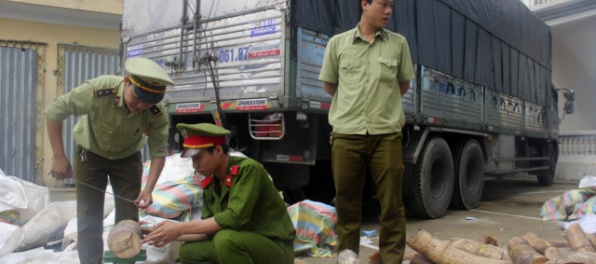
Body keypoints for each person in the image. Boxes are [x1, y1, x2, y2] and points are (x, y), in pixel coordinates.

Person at [43, 57, 174, 264]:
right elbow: (54, 112)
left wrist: (148, 189)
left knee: (128, 220)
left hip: (127, 159)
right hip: (90, 156)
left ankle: (124, 261)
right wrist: (59, 156)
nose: (141, 106)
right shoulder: (99, 90)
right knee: (88, 218)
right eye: (138, 98)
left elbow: (159, 151)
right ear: (127, 81)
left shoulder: (156, 113)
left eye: (149, 102)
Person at [318, 0, 415, 263]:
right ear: (365, 4)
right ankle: (348, 257)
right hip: (347, 135)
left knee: (392, 203)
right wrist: (353, 107)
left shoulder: (398, 44)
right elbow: (330, 84)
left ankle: (391, 259)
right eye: (383, 5)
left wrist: (380, 108)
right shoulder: (338, 44)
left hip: (386, 136)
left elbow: (402, 85)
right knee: (346, 202)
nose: (388, 11)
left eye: (392, 6)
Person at [140, 123, 296, 264]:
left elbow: (233, 218)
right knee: (189, 252)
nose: (195, 165)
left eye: (199, 158)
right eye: (192, 160)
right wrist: (163, 233)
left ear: (218, 150)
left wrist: (180, 229)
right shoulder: (210, 182)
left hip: (274, 248)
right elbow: (208, 230)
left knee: (224, 239)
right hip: (241, 244)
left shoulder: (248, 170)